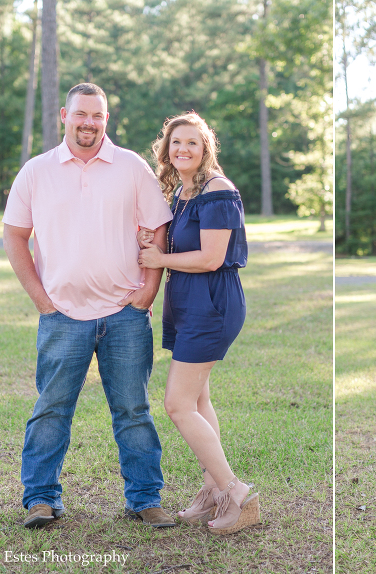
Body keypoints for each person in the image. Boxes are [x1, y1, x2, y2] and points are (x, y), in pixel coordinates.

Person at [2, 83, 176, 529]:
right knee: (51, 409)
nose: (88, 123)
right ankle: (40, 498)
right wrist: (41, 299)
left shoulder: (131, 167)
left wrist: (148, 291)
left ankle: (144, 498)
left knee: (134, 411)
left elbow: (157, 228)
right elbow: (15, 235)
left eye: (97, 116)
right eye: (81, 114)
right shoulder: (36, 172)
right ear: (64, 115)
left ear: (106, 119)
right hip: (61, 315)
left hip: (124, 315)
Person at [136, 112, 258, 534]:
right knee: (200, 400)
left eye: (192, 142)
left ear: (206, 148)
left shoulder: (217, 190)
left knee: (177, 404)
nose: (183, 149)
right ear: (166, 150)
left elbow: (211, 257)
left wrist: (160, 259)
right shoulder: (181, 193)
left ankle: (234, 491)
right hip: (186, 301)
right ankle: (210, 491)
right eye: (176, 143)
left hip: (212, 302)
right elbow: (178, 242)